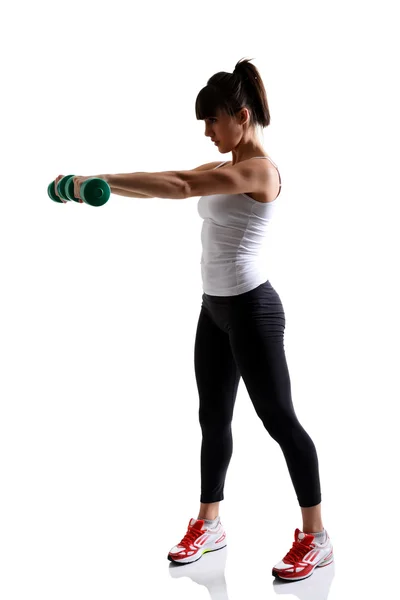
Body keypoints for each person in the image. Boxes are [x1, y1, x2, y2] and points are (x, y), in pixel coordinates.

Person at [167, 57, 334, 582]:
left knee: (280, 421)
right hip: (213, 308)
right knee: (212, 419)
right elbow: (168, 177)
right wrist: (92, 183)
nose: (207, 131)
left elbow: (174, 185)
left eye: (212, 120)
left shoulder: (259, 170)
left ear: (240, 115)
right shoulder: (221, 169)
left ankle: (317, 537)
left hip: (252, 310)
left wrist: (95, 181)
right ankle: (209, 524)